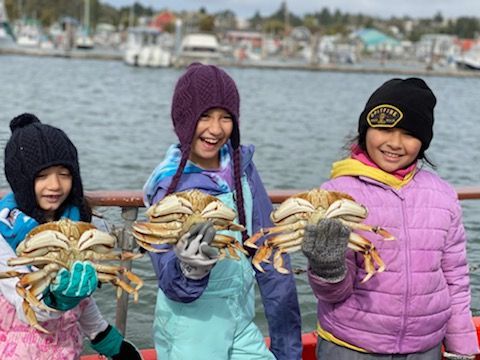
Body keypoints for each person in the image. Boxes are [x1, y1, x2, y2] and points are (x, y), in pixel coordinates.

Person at [301, 78, 479, 359]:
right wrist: (327, 267)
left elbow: (455, 278)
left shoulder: (443, 195)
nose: (395, 143)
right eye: (384, 128)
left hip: (426, 347)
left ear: (423, 141)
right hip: (351, 346)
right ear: (365, 130)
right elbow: (333, 294)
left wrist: (462, 344)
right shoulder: (336, 195)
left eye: (409, 133)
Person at [143, 63, 302, 360]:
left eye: (226, 117)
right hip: (189, 331)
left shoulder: (243, 172)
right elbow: (170, 282)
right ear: (184, 119)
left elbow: (271, 255)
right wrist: (189, 269)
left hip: (240, 320)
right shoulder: (166, 186)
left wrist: (287, 347)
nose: (215, 129)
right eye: (204, 116)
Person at [0, 113, 142, 360]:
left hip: (67, 352)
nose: (54, 185)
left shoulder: (79, 227)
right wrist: (57, 299)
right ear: (22, 181)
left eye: (64, 173)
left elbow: (80, 294)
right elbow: (27, 308)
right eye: (42, 176)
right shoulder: (5, 235)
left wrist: (102, 334)